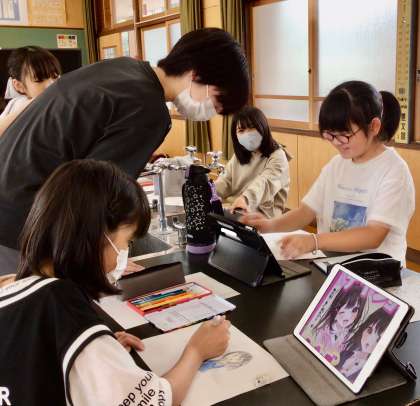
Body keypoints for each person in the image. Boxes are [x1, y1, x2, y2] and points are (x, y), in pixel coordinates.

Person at [0, 28, 250, 275]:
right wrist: (105, 260)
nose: (211, 112)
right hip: (22, 222)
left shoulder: (124, 68)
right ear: (196, 76)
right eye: (216, 101)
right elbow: (96, 192)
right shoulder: (148, 108)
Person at [0, 159, 231, 406]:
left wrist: (101, 354)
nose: (124, 251)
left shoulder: (14, 287)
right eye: (126, 241)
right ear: (96, 234)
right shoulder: (65, 309)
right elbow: (156, 401)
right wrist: (197, 351)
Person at [242, 81, 415, 264]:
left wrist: (314, 241)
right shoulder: (336, 165)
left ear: (374, 126)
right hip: (332, 265)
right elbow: (306, 212)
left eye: (345, 135)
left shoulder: (394, 171)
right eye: (330, 135)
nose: (337, 142)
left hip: (377, 273)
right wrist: (269, 226)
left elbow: (373, 235)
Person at [215, 106, 291, 217]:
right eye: (241, 130)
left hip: (265, 216)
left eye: (251, 128)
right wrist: (210, 191)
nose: (247, 134)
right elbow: (226, 180)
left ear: (262, 127)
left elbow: (264, 183)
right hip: (237, 211)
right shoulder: (240, 155)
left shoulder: (278, 156)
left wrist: (245, 199)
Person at [302, 282, 367, 365]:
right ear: (337, 307)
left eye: (355, 310)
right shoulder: (320, 331)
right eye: (344, 308)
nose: (348, 316)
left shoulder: (350, 337)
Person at [0, 46, 61, 135]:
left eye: (55, 77)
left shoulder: (63, 102)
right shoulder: (16, 104)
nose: (51, 85)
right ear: (19, 86)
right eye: (39, 80)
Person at [338, 307, 392, 382]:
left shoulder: (371, 368)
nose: (368, 341)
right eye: (369, 330)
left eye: (379, 339)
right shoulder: (344, 354)